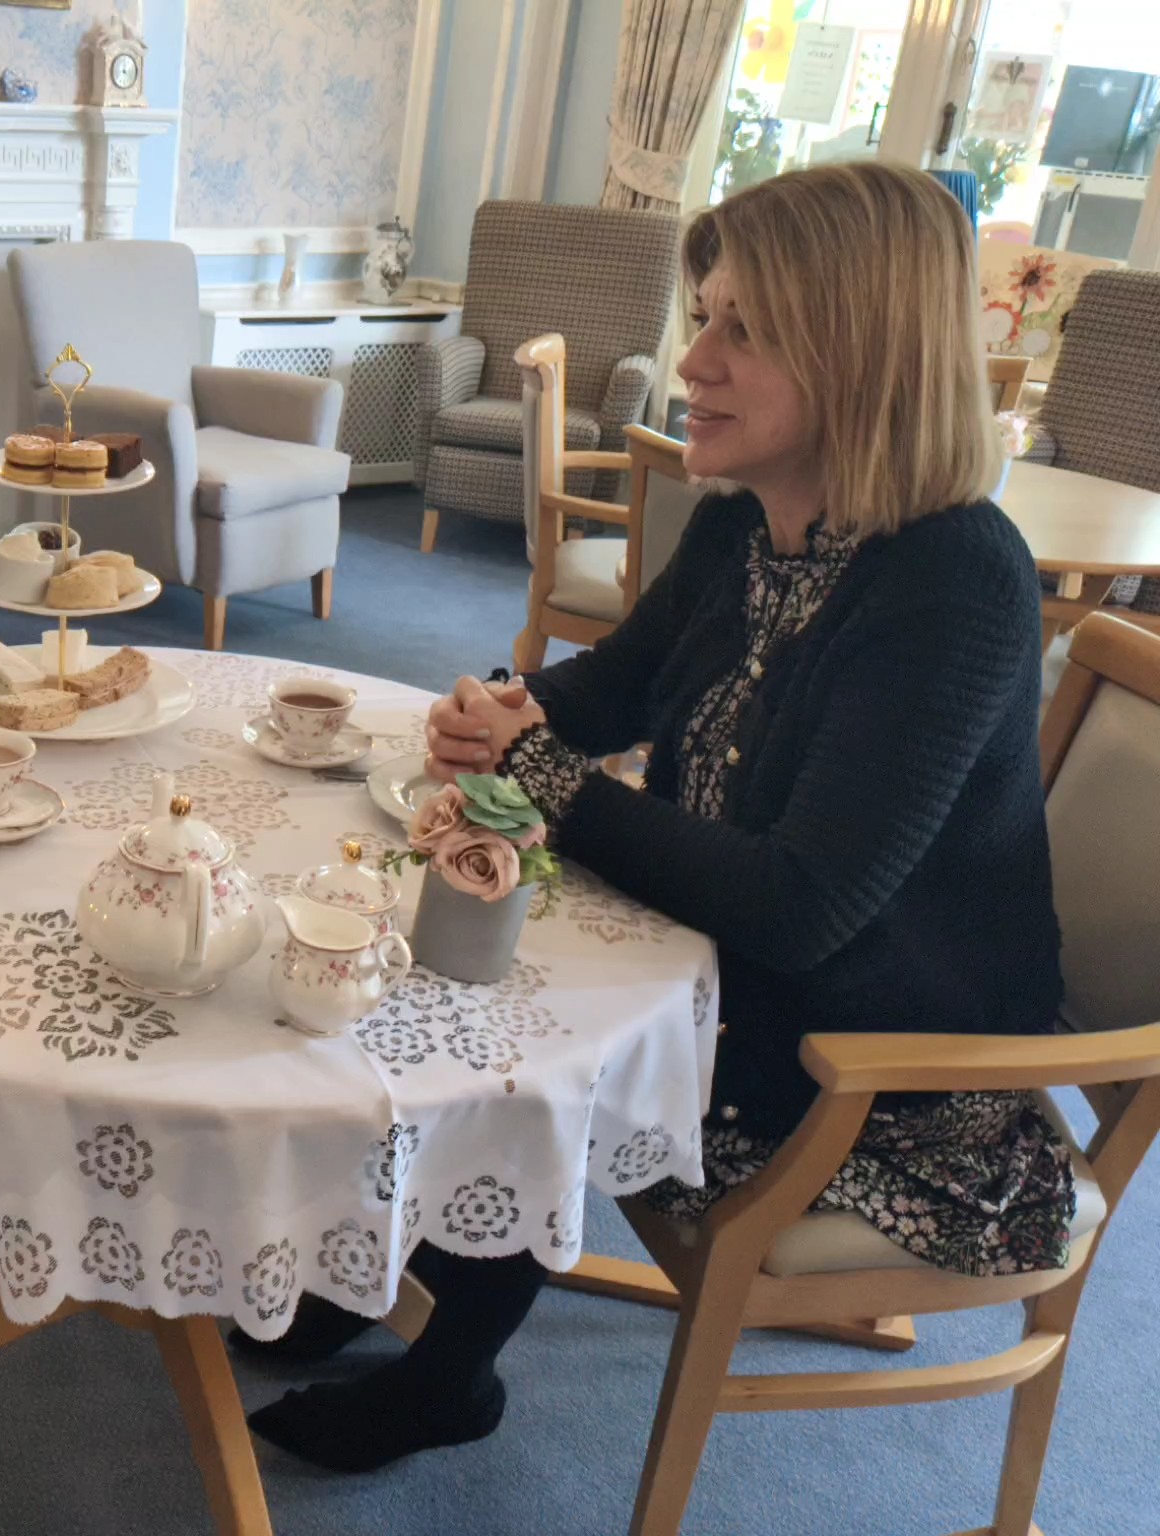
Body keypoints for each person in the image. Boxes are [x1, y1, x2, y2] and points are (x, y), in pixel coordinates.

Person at [246, 161, 1073, 1473]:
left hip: (869, 1078)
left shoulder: (955, 583)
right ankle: (384, 1265)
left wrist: (545, 779)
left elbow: (800, 912)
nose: (695, 361)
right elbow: (616, 688)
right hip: (730, 972)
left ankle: (450, 1373)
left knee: (522, 1016)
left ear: (861, 354)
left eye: (747, 329)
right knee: (444, 944)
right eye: (706, 316)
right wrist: (510, 709)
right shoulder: (747, 524)